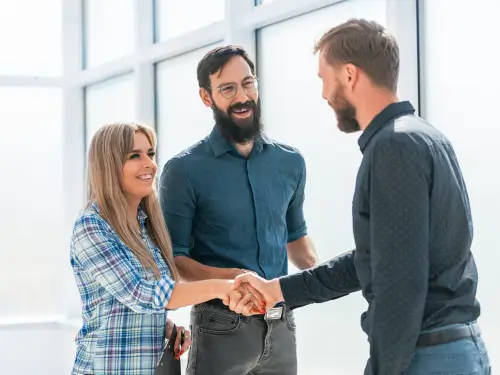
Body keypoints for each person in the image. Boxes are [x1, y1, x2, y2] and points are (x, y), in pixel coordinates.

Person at [230, 18, 491, 375]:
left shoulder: (394, 147)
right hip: (443, 350)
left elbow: (400, 283)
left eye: (324, 78)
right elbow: (378, 257)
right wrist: (277, 290)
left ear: (349, 74)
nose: (323, 94)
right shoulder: (423, 137)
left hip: (426, 357)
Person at [159, 45, 319, 375]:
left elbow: (298, 240)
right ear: (207, 97)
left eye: (248, 83)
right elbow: (176, 261)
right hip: (221, 325)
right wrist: (237, 280)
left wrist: (336, 275)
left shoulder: (291, 162)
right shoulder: (183, 170)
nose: (242, 96)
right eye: (227, 88)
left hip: (282, 323)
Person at [70, 122, 252, 375]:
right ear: (108, 165)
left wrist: (164, 328)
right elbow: (141, 293)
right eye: (134, 155)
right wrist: (222, 287)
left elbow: (121, 306)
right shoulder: (92, 227)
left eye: (151, 153)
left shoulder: (145, 226)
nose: (149, 164)